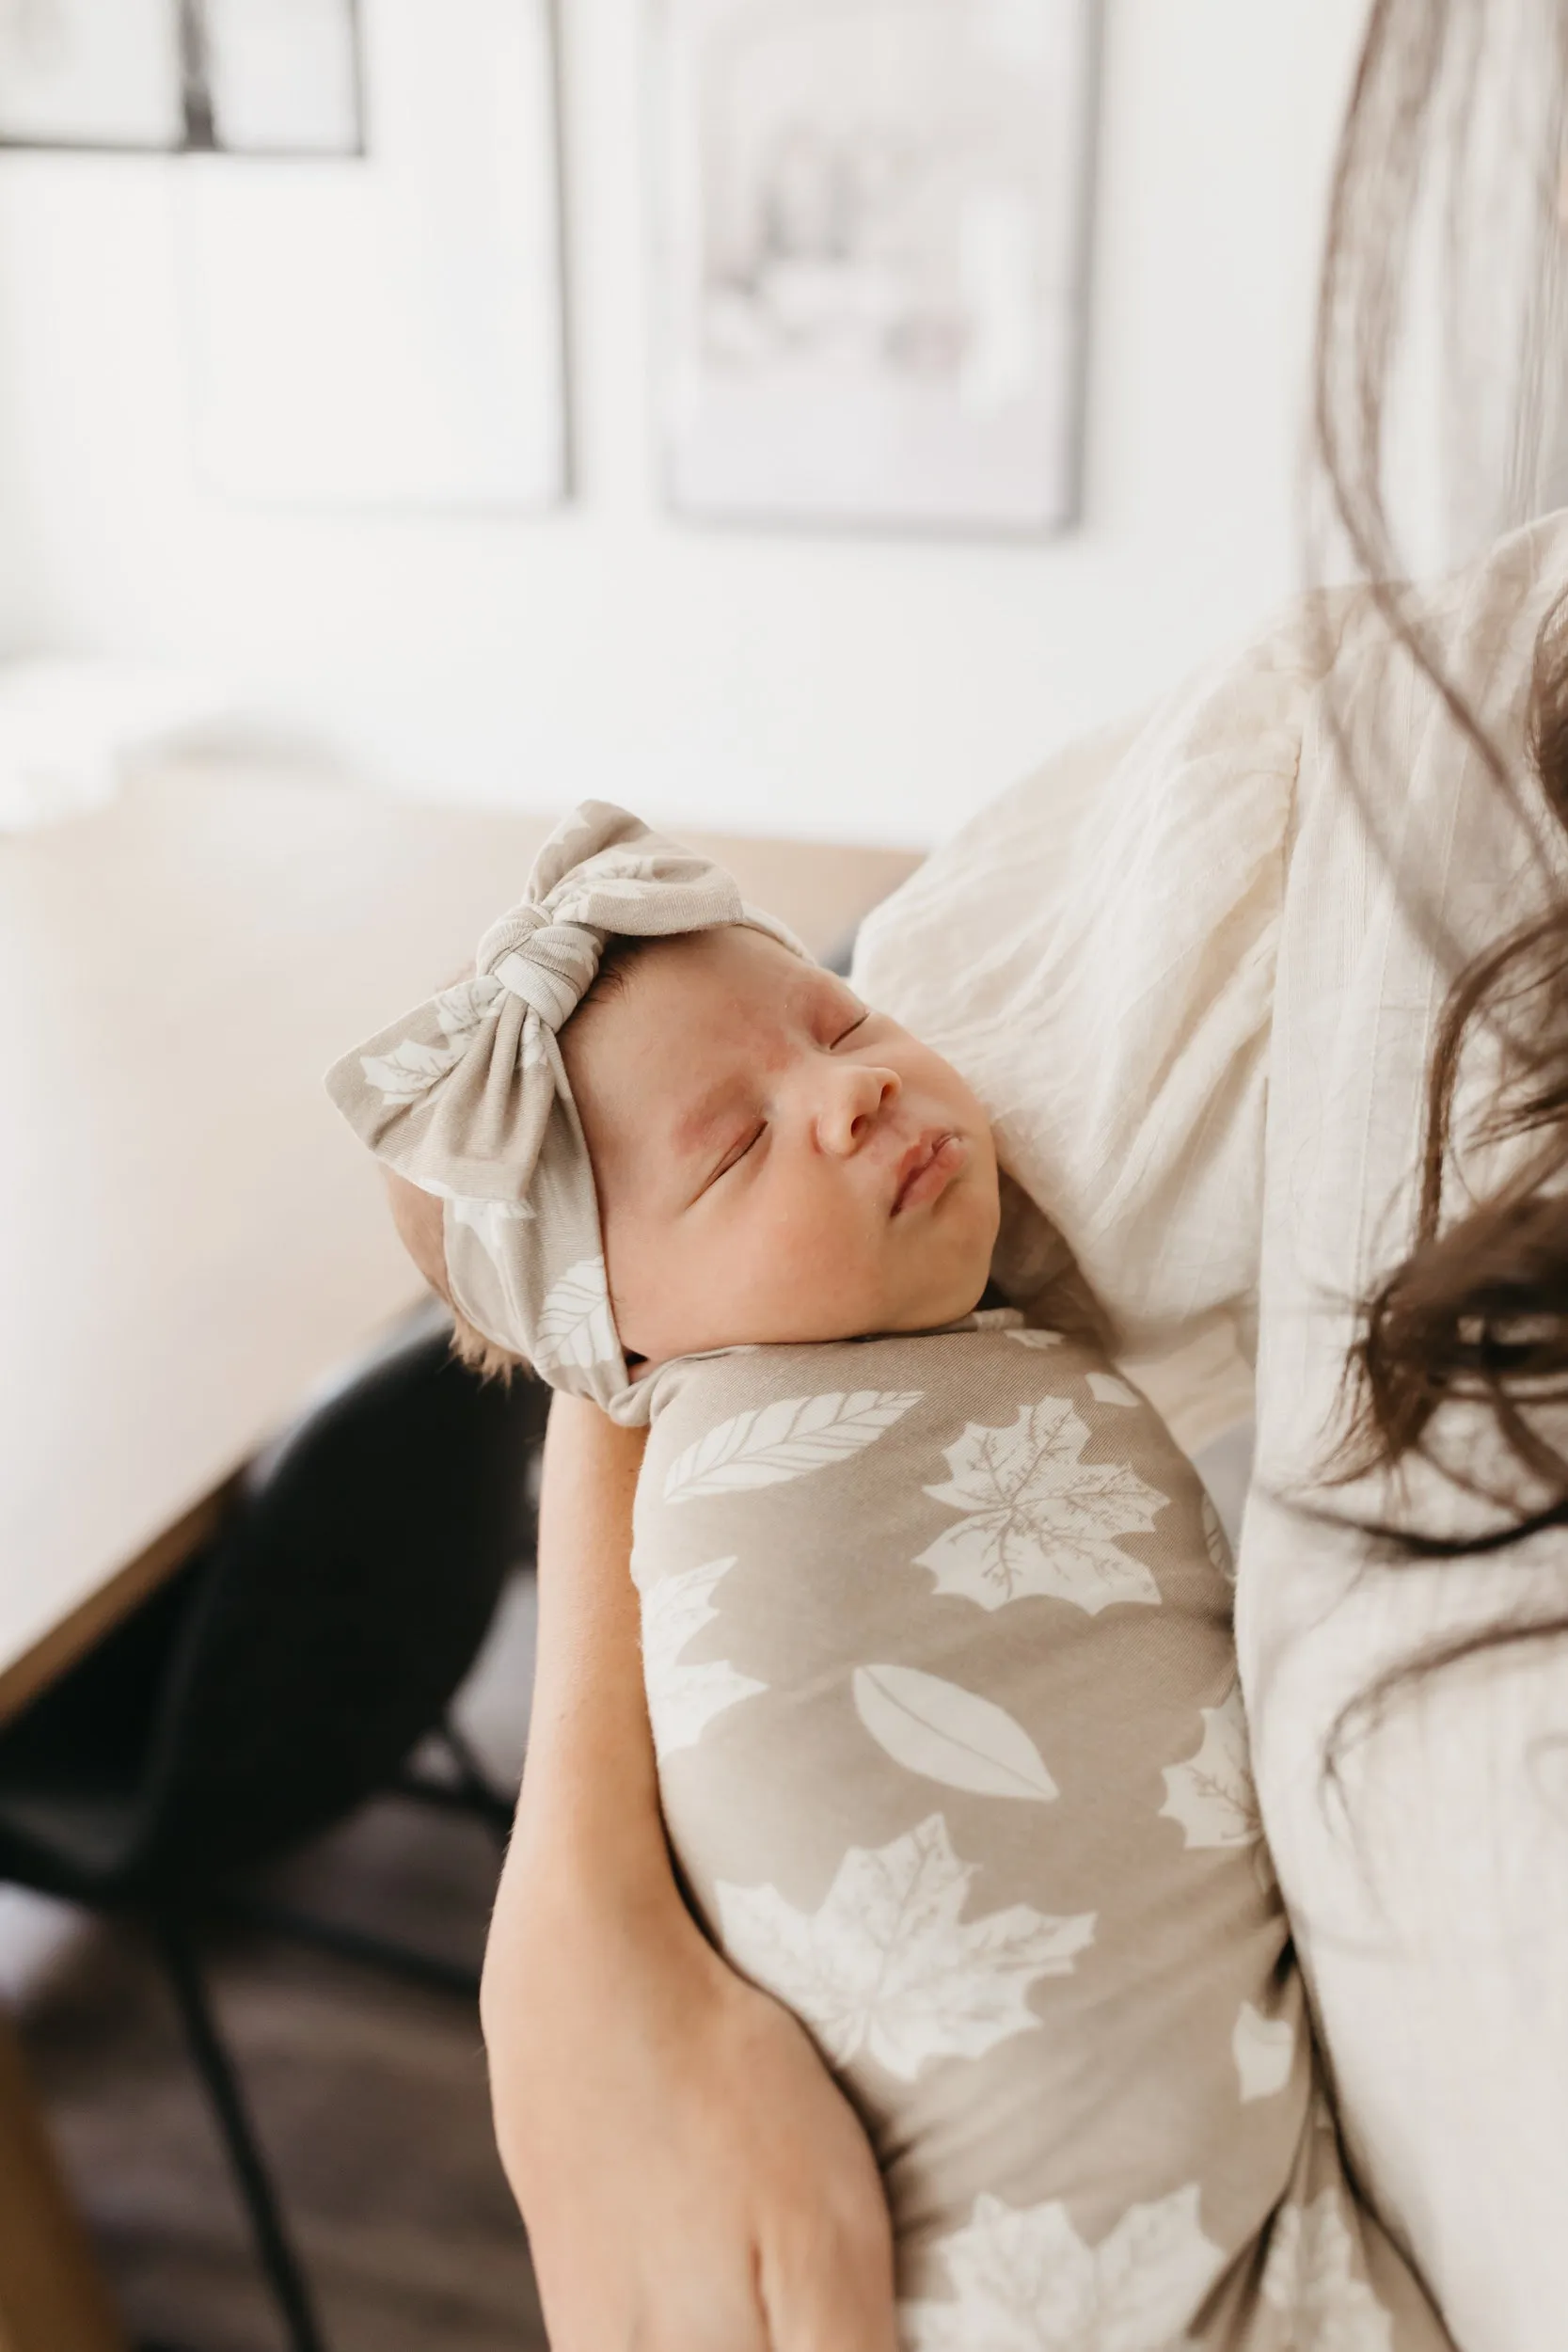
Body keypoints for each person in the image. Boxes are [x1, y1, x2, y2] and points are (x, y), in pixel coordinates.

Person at [474, 6, 1568, 2348]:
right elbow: (615, 1312)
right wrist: (568, 1910)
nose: (860, 1087)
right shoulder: (1415, 763)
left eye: (843, 1031)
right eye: (753, 1119)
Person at [326, 807, 1450, 2345]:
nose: (846, 1093)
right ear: (625, 1350)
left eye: (839, 1021)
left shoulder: (930, 1309)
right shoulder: (745, 1471)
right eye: (733, 1148)